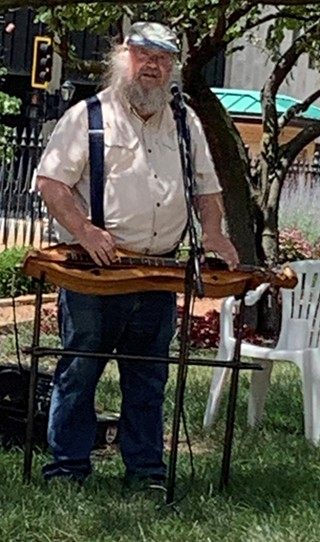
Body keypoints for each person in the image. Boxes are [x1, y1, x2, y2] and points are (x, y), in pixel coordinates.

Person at [36, 21, 239, 486]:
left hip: (159, 271)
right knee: (79, 372)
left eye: (163, 58)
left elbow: (208, 190)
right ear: (122, 58)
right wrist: (85, 231)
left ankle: (145, 471)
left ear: (173, 68)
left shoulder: (186, 122)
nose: (153, 65)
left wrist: (214, 232)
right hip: (97, 272)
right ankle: (67, 469)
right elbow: (50, 183)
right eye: (143, 55)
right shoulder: (87, 116)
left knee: (148, 379)